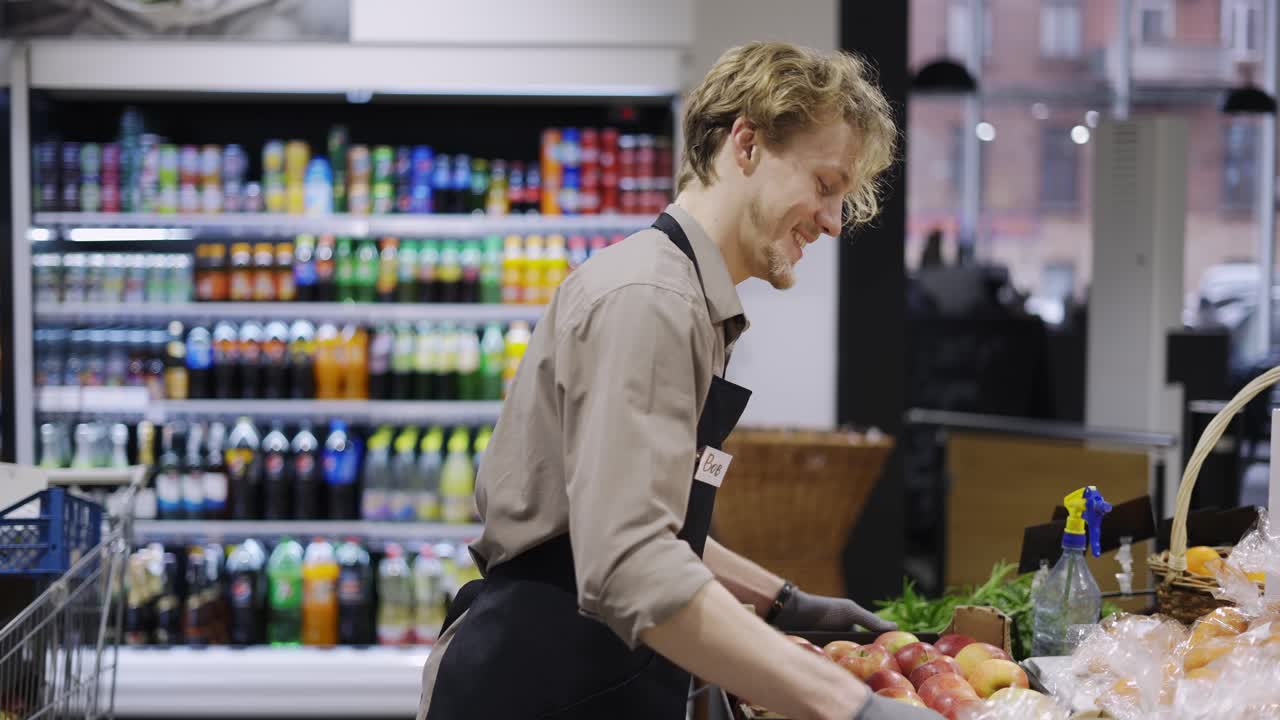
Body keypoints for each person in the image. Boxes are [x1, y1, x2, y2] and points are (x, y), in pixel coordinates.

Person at [419, 42, 927, 720]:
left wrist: (781, 602)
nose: (834, 222)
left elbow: (639, 517)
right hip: (541, 681)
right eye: (825, 185)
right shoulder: (652, 301)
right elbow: (630, 558)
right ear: (746, 143)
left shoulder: (687, 297)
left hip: (587, 672)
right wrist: (850, 706)